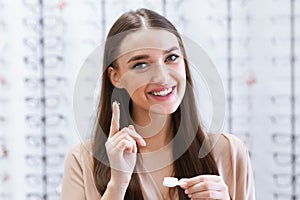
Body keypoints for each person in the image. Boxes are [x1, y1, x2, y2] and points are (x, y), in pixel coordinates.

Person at [61, 8, 255, 200]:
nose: (162, 77)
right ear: (116, 77)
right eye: (141, 64)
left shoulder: (229, 153)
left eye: (171, 58)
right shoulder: (82, 161)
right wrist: (117, 185)